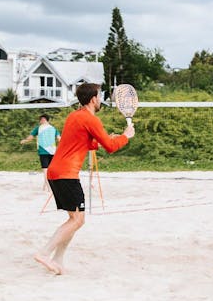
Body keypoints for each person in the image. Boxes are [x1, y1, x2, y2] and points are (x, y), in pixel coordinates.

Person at [33, 83, 133, 275]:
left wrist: (111, 138)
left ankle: (58, 258)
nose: (101, 99)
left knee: (75, 219)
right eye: (99, 95)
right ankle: (44, 253)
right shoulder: (90, 119)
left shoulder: (75, 116)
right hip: (66, 174)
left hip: (56, 171)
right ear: (93, 99)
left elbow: (84, 142)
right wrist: (125, 136)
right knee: (78, 220)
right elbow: (111, 147)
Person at [20, 114, 60, 187]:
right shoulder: (53, 128)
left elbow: (30, 138)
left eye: (40, 120)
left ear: (43, 120)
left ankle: (48, 185)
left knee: (45, 169)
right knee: (50, 169)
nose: (40, 121)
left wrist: (24, 141)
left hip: (43, 151)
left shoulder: (38, 128)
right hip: (52, 151)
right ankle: (47, 185)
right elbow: (59, 139)